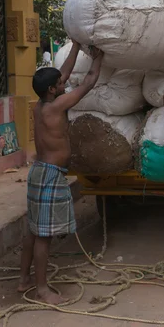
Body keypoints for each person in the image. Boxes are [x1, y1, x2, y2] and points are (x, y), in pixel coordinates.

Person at [18, 41, 103, 304]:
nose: (63, 82)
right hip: (50, 175)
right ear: (52, 90)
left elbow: (63, 75)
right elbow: (88, 82)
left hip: (39, 173)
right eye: (59, 83)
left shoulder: (41, 104)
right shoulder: (57, 106)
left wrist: (76, 46)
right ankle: (42, 290)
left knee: (33, 230)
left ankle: (24, 280)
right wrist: (100, 57)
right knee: (44, 235)